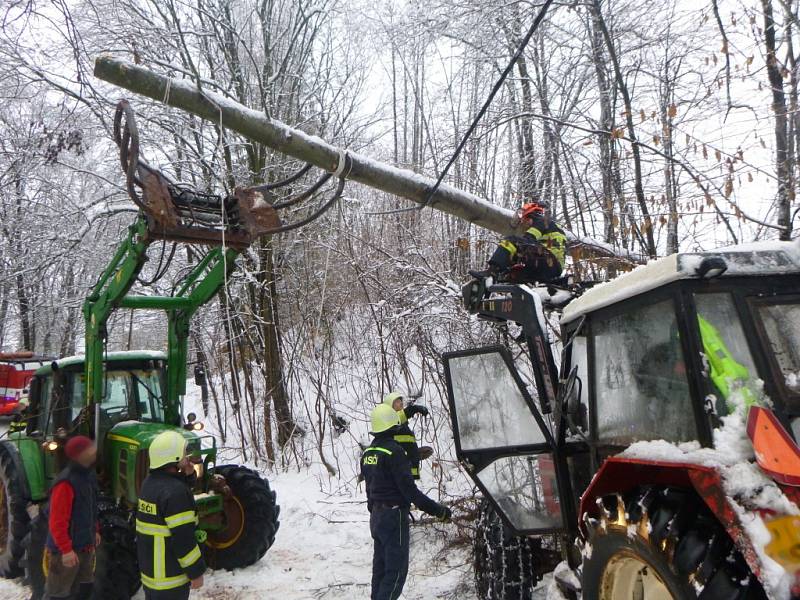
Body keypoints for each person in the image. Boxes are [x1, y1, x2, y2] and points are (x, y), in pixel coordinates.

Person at [361, 404, 452, 600]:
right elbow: (411, 492)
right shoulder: (395, 452)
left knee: (381, 569)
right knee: (395, 572)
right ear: (393, 425)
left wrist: (376, 511)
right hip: (393, 517)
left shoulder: (369, 452)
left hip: (376, 517)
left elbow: (369, 490)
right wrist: (439, 511)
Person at [136, 431, 206, 599]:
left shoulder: (149, 484)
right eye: (183, 453)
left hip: (152, 578)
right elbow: (183, 538)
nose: (187, 456)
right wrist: (195, 572)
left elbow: (169, 497)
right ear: (172, 457)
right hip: (171, 580)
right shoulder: (175, 493)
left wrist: (188, 478)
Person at [45, 435, 100, 600]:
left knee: (83, 592)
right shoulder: (66, 483)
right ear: (79, 455)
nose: (94, 450)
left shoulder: (88, 476)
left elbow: (89, 508)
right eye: (89, 449)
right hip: (67, 553)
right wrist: (66, 550)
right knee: (59, 595)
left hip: (84, 548)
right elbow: (57, 521)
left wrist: (95, 530)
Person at [484, 201, 567, 283]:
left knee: (511, 241)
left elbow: (528, 240)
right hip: (551, 267)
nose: (525, 224)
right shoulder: (549, 225)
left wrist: (510, 257)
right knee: (515, 275)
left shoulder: (540, 220)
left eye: (525, 220)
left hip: (549, 262)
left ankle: (492, 271)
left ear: (531, 216)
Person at [382, 391, 431, 480]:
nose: (400, 403)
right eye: (397, 401)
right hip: (401, 470)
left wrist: (416, 452)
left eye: (400, 400)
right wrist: (415, 408)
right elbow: (403, 414)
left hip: (410, 469)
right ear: (390, 406)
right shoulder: (391, 421)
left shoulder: (402, 424)